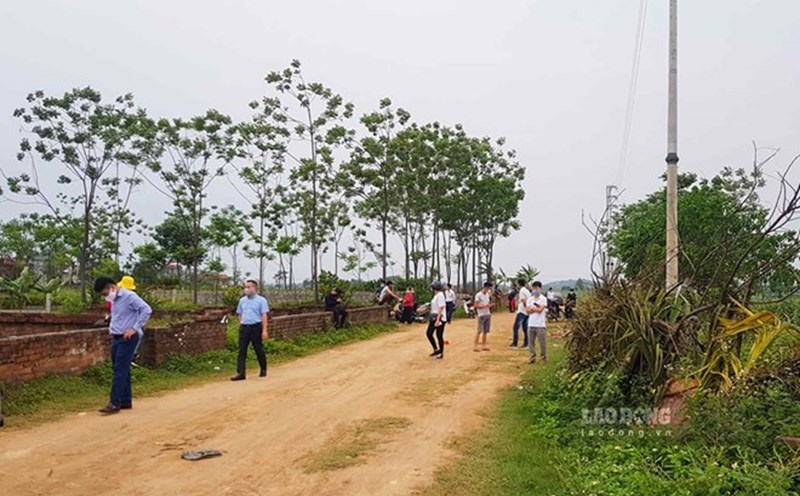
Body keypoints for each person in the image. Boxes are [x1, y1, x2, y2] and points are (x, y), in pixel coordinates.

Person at [94, 276, 152, 414]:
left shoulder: (130, 296)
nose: (105, 297)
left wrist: (135, 328)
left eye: (104, 293)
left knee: (120, 369)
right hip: (117, 337)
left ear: (111, 287)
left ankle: (114, 402)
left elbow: (147, 310)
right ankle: (125, 400)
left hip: (128, 338)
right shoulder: (114, 300)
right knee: (119, 368)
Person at [231, 280, 269, 381]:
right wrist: (241, 323)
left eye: (249, 287)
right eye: (245, 287)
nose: (246, 289)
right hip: (244, 327)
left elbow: (264, 315)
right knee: (242, 350)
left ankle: (263, 368)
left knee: (258, 349)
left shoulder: (261, 300)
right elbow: (239, 313)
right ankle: (241, 372)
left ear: (254, 288)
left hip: (256, 327)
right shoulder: (242, 300)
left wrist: (264, 330)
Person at [526, 281, 548, 365]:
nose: (535, 290)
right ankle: (532, 357)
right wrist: (534, 309)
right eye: (534, 288)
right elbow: (527, 310)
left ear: (540, 288)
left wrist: (532, 309)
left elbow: (540, 310)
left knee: (542, 342)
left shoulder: (543, 299)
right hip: (531, 323)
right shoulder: (530, 299)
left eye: (537, 288)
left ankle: (543, 358)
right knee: (531, 342)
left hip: (540, 324)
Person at [426, 281, 447, 359]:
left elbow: (441, 307)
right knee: (429, 333)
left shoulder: (440, 295)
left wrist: (438, 320)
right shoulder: (436, 296)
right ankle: (436, 349)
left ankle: (441, 353)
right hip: (434, 317)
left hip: (440, 317)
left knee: (439, 335)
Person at [509, 278, 531, 349]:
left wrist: (526, 308)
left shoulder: (521, 291)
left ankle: (515, 343)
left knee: (516, 327)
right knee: (525, 328)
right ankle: (526, 343)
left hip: (522, 311)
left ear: (519, 284)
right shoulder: (527, 291)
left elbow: (524, 301)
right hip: (526, 312)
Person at [474, 281, 494, 352]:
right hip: (481, 314)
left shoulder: (487, 295)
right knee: (479, 331)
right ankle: (475, 346)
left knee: (485, 331)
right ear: (485, 287)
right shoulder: (478, 295)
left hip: (487, 314)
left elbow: (488, 303)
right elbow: (476, 305)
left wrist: (490, 305)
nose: (488, 290)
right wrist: (484, 306)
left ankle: (484, 345)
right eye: (488, 288)